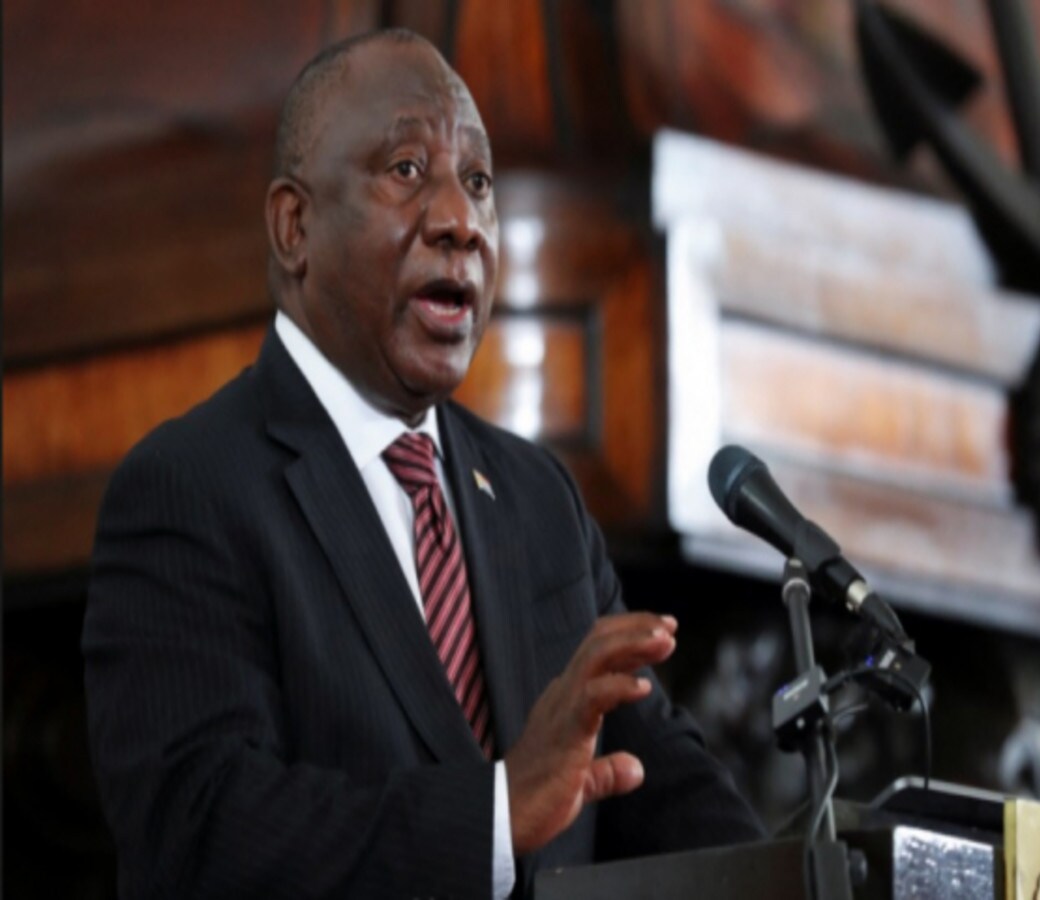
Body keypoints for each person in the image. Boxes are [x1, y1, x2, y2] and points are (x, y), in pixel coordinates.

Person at [83, 28, 764, 900]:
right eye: (406, 169)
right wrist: (494, 817)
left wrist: (827, 875)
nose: (460, 222)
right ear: (295, 227)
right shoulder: (190, 489)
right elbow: (200, 830)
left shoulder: (538, 499)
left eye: (478, 182)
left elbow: (665, 791)